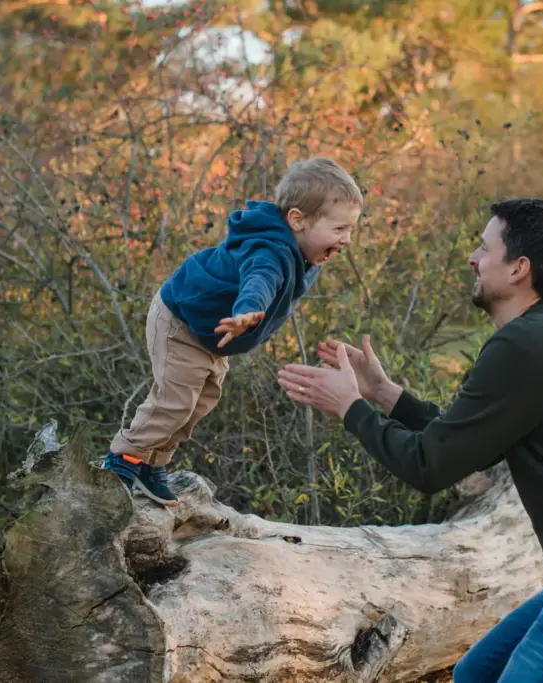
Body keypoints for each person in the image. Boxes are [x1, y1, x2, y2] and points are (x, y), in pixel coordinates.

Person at [276, 198, 543, 682]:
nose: (472, 258)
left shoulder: (526, 345)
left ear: (519, 268)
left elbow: (428, 466)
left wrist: (349, 406)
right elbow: (466, 443)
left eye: (483, 247)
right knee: (475, 673)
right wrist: (384, 393)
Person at [102, 157, 363, 507]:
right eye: (339, 229)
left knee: (201, 401)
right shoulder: (269, 249)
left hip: (210, 335)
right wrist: (246, 312)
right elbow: (260, 279)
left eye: (351, 230)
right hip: (180, 320)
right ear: (297, 220)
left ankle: (151, 463)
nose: (347, 239)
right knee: (175, 401)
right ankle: (123, 459)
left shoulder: (305, 255)